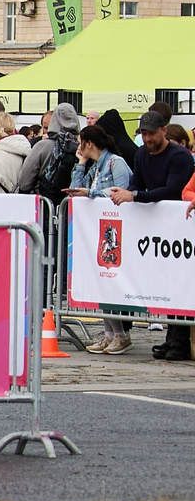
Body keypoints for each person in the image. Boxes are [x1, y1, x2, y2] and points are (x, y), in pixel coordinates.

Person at [114, 108, 195, 360]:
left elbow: (173, 190)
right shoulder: (141, 153)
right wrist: (127, 193)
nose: (147, 139)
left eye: (151, 134)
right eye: (144, 134)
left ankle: (179, 341)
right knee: (167, 284)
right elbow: (137, 182)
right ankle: (172, 339)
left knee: (180, 284)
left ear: (164, 131)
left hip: (179, 227)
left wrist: (135, 196)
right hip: (159, 230)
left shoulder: (180, 156)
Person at [71, 122, 141, 353]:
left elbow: (121, 191)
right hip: (100, 230)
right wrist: (80, 164)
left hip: (116, 231)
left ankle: (120, 334)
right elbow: (75, 188)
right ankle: (110, 333)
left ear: (88, 143)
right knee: (102, 282)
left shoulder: (115, 163)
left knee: (111, 281)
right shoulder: (96, 166)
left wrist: (90, 193)